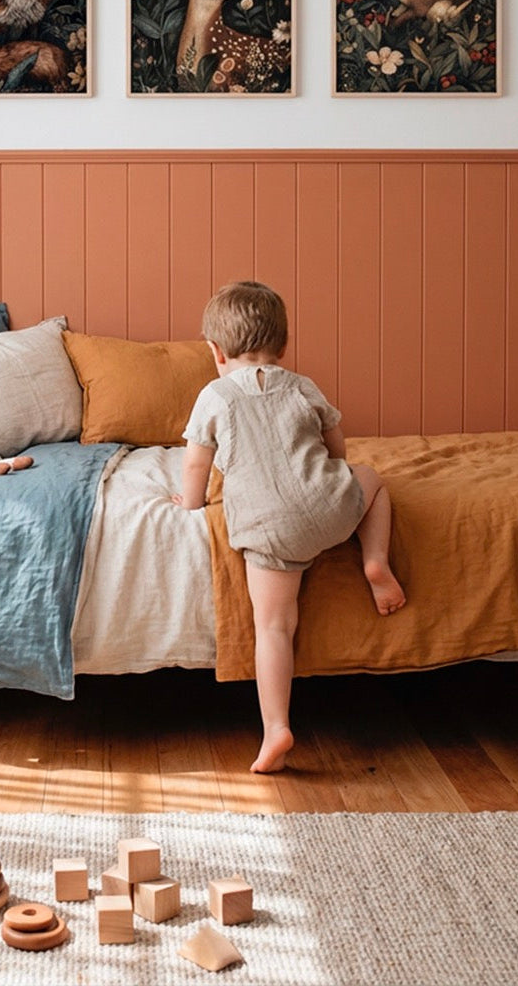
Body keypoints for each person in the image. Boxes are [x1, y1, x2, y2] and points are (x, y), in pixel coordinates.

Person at [172, 281, 406, 774]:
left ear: (215, 350)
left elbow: (196, 467)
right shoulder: (301, 385)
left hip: (269, 530)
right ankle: (375, 559)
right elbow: (336, 445)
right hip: (329, 505)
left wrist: (190, 503)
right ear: (283, 346)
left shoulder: (213, 396)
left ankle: (276, 728)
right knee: (374, 481)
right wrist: (336, 477)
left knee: (274, 627)